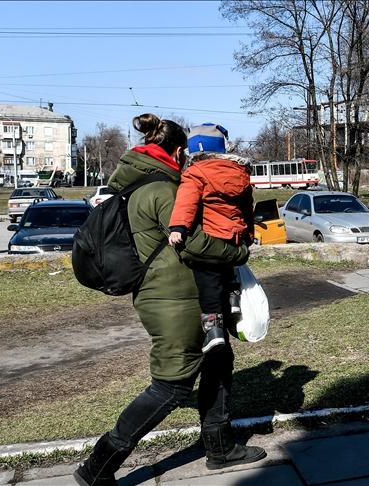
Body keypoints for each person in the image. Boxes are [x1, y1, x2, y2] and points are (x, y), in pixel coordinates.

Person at [73, 114, 265, 486]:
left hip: (181, 294)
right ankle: (97, 467)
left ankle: (221, 447)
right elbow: (193, 243)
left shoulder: (143, 183)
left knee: (218, 359)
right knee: (171, 385)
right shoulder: (163, 189)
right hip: (174, 299)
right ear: (178, 151)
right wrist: (238, 254)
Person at [168, 123, 253, 354]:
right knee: (228, 270)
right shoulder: (240, 173)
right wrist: (249, 234)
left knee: (207, 280)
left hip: (212, 234)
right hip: (234, 237)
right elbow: (247, 209)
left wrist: (178, 227)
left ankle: (213, 330)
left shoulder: (195, 173)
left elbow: (187, 202)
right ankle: (233, 301)